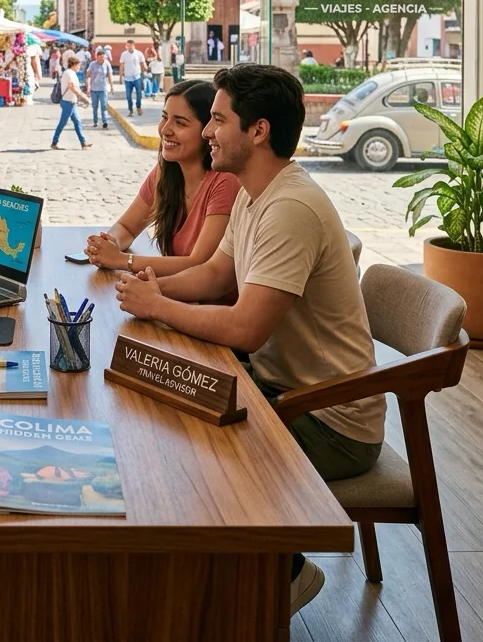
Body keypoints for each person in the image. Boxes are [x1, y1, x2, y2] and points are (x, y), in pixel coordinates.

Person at [114, 64, 384, 618]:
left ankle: (275, 576)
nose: (208, 132)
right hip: (280, 390)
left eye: (216, 119)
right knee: (156, 422)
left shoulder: (289, 208)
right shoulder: (255, 193)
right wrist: (152, 288)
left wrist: (160, 307)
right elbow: (216, 275)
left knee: (186, 461)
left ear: (257, 131)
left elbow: (245, 327)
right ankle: (203, 585)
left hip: (329, 420)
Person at [85, 80, 240, 299]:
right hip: (175, 302)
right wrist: (109, 244)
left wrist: (122, 260)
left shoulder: (224, 180)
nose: (165, 130)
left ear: (207, 130)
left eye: (180, 123)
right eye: (165, 117)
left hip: (211, 314)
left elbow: (199, 264)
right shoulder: (166, 172)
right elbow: (127, 227)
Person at [51, 55, 92, 150]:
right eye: (78, 65)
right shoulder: (69, 73)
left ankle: (83, 142)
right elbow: (72, 87)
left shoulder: (71, 73)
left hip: (71, 102)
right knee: (62, 123)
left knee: (77, 122)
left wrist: (83, 96)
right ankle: (54, 142)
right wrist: (83, 97)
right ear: (73, 65)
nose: (79, 67)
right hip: (68, 102)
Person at [87, 46, 114, 129]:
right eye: (101, 57)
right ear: (97, 57)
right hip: (94, 89)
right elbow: (88, 76)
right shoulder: (92, 64)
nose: (102, 59)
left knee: (103, 106)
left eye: (103, 57)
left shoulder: (107, 64)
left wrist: (112, 87)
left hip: (103, 89)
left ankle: (105, 121)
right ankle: (95, 121)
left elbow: (109, 75)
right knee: (95, 106)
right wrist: (88, 86)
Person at [120, 39, 145, 116]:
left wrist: (143, 71)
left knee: (139, 94)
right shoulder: (124, 54)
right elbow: (121, 66)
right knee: (128, 96)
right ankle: (130, 109)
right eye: (127, 45)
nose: (129, 47)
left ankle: (138, 107)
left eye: (130, 45)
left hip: (137, 77)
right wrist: (120, 77)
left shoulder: (139, 53)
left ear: (133, 45)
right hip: (127, 78)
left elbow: (142, 64)